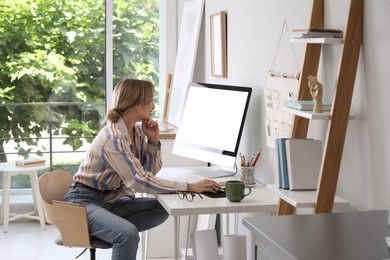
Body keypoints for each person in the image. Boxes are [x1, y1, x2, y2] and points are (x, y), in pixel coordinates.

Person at [64, 78, 221, 260]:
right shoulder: (113, 138)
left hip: (111, 200)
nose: (153, 106)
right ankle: (117, 232)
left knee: (161, 208)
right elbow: (138, 181)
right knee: (127, 234)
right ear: (137, 106)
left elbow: (148, 174)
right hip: (84, 201)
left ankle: (111, 228)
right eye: (150, 101)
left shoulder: (137, 132)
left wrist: (153, 141)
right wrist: (189, 186)